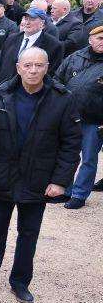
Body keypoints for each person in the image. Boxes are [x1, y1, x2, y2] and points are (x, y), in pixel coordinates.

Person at [0, 48, 80, 303]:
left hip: (37, 178)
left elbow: (70, 144)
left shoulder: (62, 99)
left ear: (47, 67)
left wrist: (60, 181)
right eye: (28, 65)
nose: (33, 70)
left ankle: (20, 282)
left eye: (39, 65)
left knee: (28, 233)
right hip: (2, 175)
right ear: (18, 67)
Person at [56, 25, 103, 208]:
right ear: (90, 40)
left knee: (89, 159)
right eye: (99, 38)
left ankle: (79, 194)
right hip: (69, 117)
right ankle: (64, 190)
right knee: (67, 155)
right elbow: (57, 80)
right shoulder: (74, 57)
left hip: (95, 120)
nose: (102, 42)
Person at [0, 7, 64, 92]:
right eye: (25, 19)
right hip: (3, 89)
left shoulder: (54, 45)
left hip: (28, 92)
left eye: (32, 19)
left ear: (42, 24)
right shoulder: (12, 38)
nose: (27, 22)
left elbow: (50, 73)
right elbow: (0, 62)